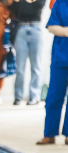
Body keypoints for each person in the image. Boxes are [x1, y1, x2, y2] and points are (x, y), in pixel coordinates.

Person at [39, 0, 68, 145]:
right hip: (60, 57)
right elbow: (51, 26)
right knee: (54, 96)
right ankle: (49, 134)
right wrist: (66, 31)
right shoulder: (60, 3)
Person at [11, 0, 44, 106]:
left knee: (36, 66)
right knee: (20, 67)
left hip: (36, 29)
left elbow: (38, 6)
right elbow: (15, 9)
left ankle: (34, 96)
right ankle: (18, 96)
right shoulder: (19, 2)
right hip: (21, 29)